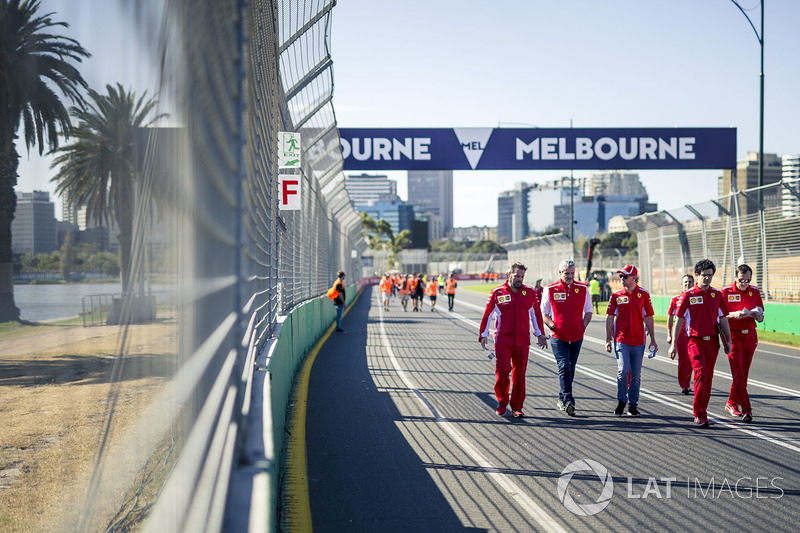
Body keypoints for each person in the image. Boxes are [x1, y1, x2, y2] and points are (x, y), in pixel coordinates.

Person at [668, 259, 732, 428]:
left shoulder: (716, 295)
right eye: (704, 275)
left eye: (710, 276)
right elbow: (679, 320)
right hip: (694, 342)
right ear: (697, 275)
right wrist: (673, 343)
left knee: (708, 377)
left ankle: (702, 409)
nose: (707, 279)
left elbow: (723, 319)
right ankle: (699, 414)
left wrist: (729, 340)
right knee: (701, 374)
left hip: (712, 342)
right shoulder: (688, 295)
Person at [479, 262, 548, 418]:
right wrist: (483, 335)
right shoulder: (497, 292)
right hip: (503, 339)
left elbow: (535, 315)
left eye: (522, 276)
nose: (520, 279)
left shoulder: (530, 292)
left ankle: (517, 406)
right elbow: (487, 315)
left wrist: (540, 334)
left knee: (520, 374)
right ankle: (502, 402)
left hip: (523, 340)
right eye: (517, 276)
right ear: (508, 274)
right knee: (503, 371)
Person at [541, 259, 593, 416]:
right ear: (560, 273)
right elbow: (544, 313)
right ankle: (569, 400)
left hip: (577, 336)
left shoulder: (583, 289)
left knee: (571, 368)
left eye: (572, 273)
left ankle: (561, 397)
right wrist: (552, 326)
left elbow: (589, 311)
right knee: (564, 366)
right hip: (558, 336)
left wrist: (582, 326)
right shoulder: (550, 289)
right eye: (566, 273)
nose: (570, 276)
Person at [605, 265, 657, 417]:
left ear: (634, 277)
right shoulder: (616, 295)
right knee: (623, 371)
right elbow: (609, 318)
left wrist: (653, 340)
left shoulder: (644, 295)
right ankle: (622, 400)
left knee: (636, 375)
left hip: (638, 341)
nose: (622, 279)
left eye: (625, 276)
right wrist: (608, 339)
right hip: (621, 340)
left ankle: (633, 405)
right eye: (621, 276)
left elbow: (648, 317)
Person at [721, 264, 764, 423]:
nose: (744, 283)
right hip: (732, 335)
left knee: (743, 374)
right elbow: (720, 315)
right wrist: (734, 315)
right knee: (737, 372)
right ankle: (747, 410)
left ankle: (731, 402)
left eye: (747, 280)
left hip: (750, 336)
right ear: (736, 277)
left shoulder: (755, 291)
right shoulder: (726, 292)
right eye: (741, 280)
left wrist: (757, 316)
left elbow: (761, 315)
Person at [667, 274, 694, 395]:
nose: (688, 284)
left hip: (694, 333)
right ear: (682, 284)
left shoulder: (697, 297)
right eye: (686, 282)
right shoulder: (675, 299)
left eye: (690, 282)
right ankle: (684, 384)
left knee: (693, 360)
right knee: (683, 360)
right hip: (681, 334)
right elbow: (670, 317)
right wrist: (669, 334)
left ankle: (690, 382)